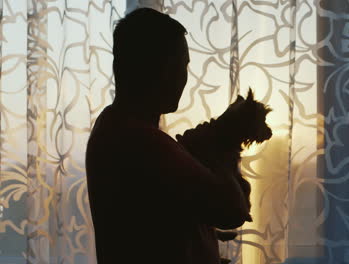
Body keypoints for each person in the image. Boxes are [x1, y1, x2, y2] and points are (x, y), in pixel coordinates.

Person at [85, 8, 251, 264]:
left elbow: (150, 220)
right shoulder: (141, 141)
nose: (184, 77)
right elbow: (231, 210)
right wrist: (222, 141)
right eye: (179, 65)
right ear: (151, 67)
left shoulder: (114, 126)